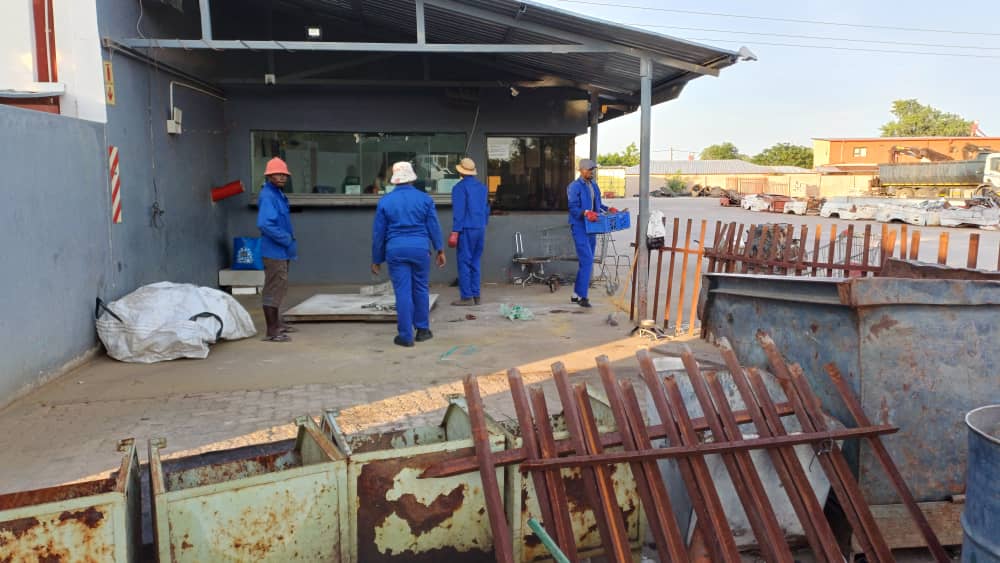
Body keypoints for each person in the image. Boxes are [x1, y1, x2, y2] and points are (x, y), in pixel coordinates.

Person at [371, 161, 447, 347]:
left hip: (395, 250)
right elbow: (434, 226)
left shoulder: (385, 201)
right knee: (420, 288)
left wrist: (376, 259)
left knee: (402, 292)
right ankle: (422, 330)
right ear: (412, 178)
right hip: (420, 249)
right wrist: (440, 249)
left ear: (395, 179)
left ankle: (405, 336)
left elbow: (378, 234)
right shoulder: (425, 199)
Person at [566, 158, 617, 308]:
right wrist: (585, 212)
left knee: (585, 262)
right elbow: (573, 207)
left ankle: (575, 294)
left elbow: (598, 205)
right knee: (588, 260)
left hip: (592, 227)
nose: (591, 172)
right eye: (589, 170)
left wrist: (608, 209)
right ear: (581, 170)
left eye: (593, 169)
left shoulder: (593, 185)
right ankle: (583, 296)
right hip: (580, 227)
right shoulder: (574, 187)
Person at [257, 157, 298, 342]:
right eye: (277, 174)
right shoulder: (268, 196)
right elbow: (265, 224)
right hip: (274, 251)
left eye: (284, 174)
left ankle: (277, 324)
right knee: (273, 288)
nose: (282, 177)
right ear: (269, 176)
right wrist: (285, 238)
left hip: (281, 250)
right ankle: (272, 331)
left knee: (279, 287)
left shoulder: (277, 194)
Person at [450, 157, 490, 306]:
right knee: (475, 261)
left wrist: (455, 231)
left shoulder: (459, 188)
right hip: (480, 227)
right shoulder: (482, 187)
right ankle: (476, 295)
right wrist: (482, 223)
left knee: (464, 262)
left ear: (461, 171)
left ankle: (466, 297)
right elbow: (486, 209)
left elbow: (459, 212)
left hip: (466, 228)